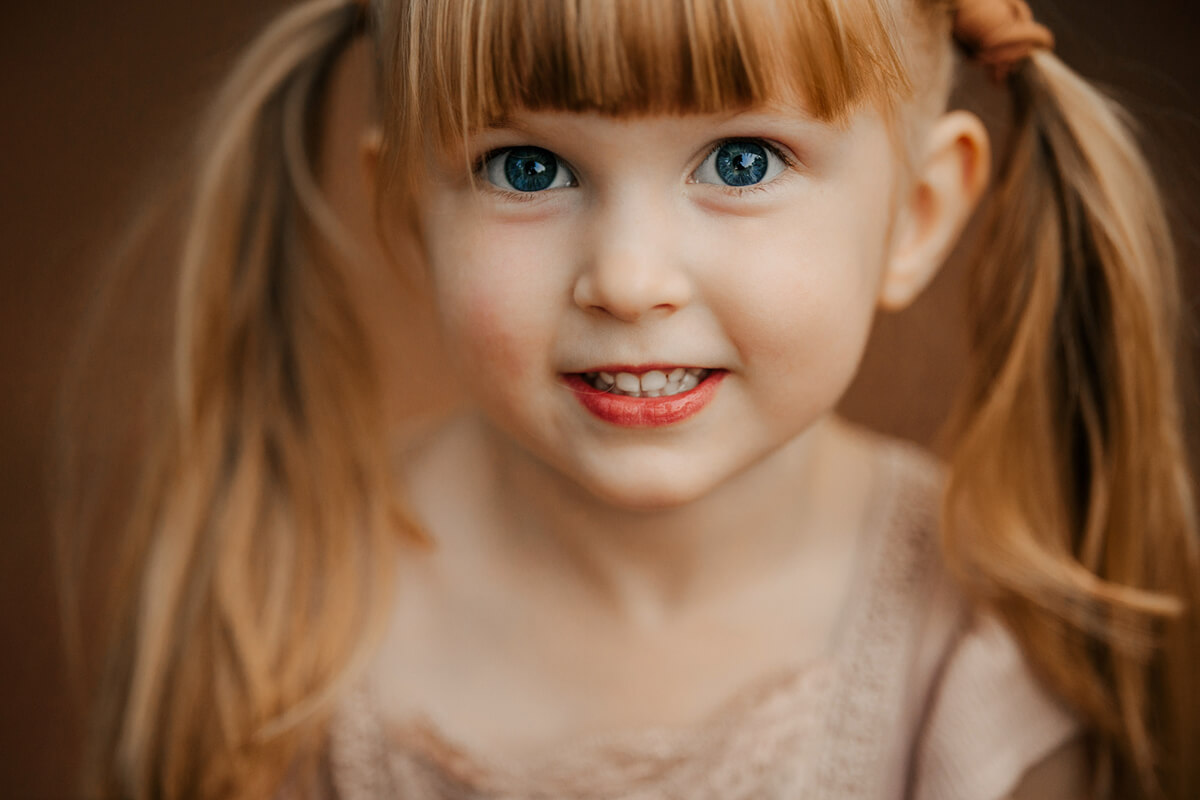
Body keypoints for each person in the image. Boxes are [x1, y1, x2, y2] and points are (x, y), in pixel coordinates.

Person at [79, 0, 1200, 797]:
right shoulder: (270, 602)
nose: (627, 277)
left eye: (744, 161)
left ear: (915, 214)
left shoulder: (981, 649)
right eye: (528, 168)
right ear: (410, 216)